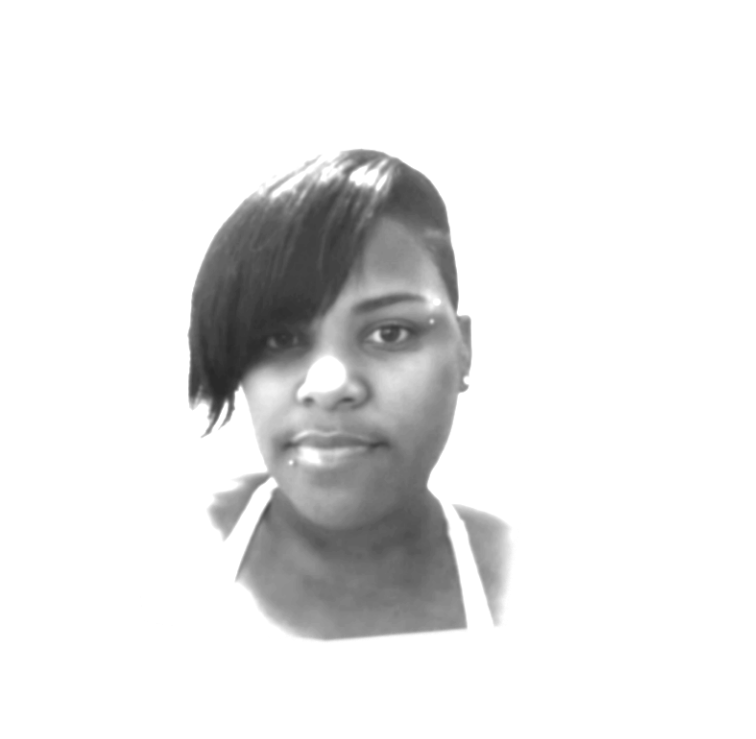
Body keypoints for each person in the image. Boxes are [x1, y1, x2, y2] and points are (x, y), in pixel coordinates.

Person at [186, 149, 517, 641]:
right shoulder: (165, 543)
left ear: (463, 351)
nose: (328, 386)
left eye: (390, 333)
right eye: (279, 339)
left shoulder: (505, 562)